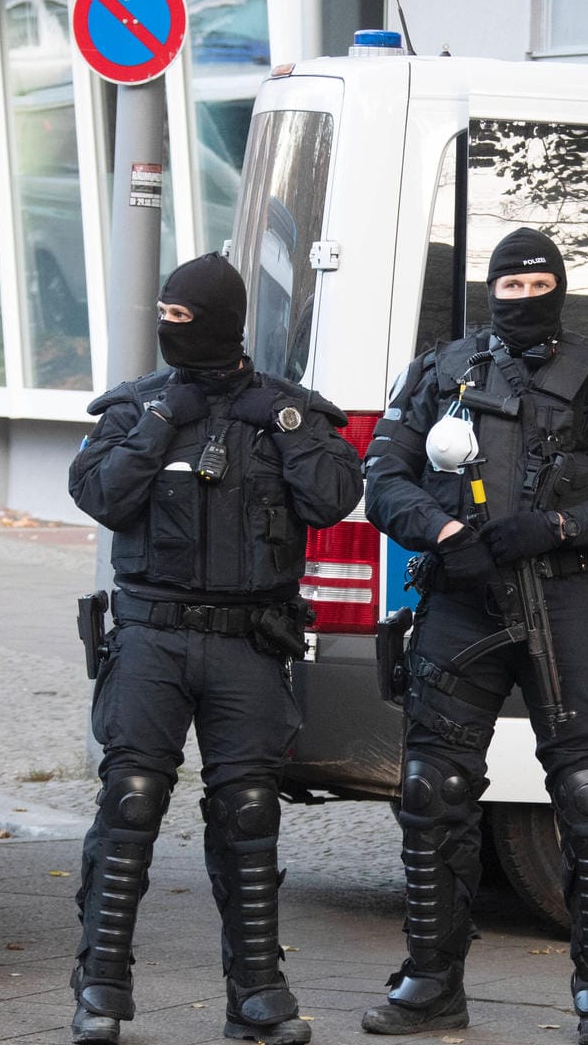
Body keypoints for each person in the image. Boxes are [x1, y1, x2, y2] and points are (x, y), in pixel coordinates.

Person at [358, 228, 588, 1045]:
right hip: (461, 600)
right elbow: (383, 480)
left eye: (539, 285)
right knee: (432, 789)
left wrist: (557, 526)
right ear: (488, 289)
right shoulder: (442, 370)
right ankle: (432, 983)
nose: (524, 298)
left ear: (560, 289)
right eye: (510, 285)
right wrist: (440, 532)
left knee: (587, 794)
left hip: (564, 599)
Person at [65, 252, 365, 1045]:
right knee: (130, 801)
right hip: (152, 637)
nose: (169, 329)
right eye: (162, 316)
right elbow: (98, 493)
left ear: (224, 325)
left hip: (249, 641)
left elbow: (336, 498)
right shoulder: (136, 409)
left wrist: (290, 425)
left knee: (250, 811)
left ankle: (258, 994)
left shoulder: (291, 413)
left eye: (183, 318)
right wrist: (165, 418)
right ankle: (100, 986)